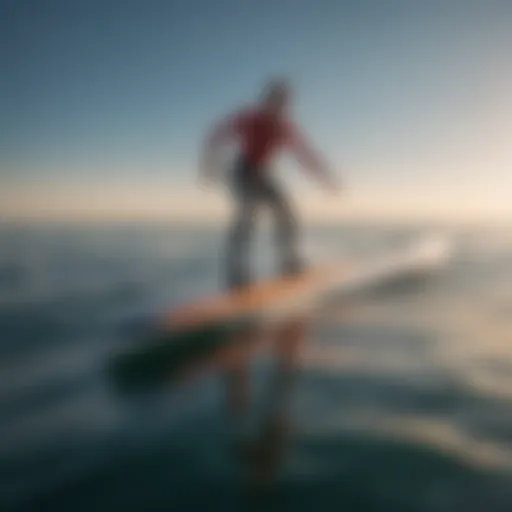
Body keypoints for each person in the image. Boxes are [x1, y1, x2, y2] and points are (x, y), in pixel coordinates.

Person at [200, 78, 339, 289]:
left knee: (287, 214)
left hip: (264, 174)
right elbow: (217, 134)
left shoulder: (285, 128)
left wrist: (325, 177)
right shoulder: (250, 118)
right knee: (248, 215)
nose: (280, 107)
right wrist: (209, 164)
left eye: (284, 103)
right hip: (243, 172)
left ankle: (289, 264)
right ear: (267, 100)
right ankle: (237, 275)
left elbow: (305, 154)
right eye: (276, 101)